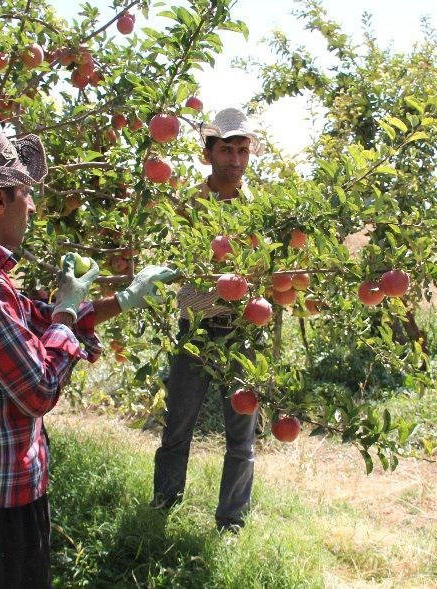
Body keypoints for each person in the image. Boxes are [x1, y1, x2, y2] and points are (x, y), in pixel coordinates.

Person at [0, 125, 175, 588]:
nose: (32, 206)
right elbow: (38, 388)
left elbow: (36, 320)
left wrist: (123, 299)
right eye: (26, 194)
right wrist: (68, 313)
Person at [152, 107, 264, 532]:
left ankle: (231, 522)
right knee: (177, 426)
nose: (235, 159)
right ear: (209, 154)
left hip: (241, 332)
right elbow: (179, 263)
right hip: (195, 331)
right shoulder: (189, 208)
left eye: (241, 150)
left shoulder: (261, 211)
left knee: (241, 435)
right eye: (226, 150)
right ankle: (161, 510)